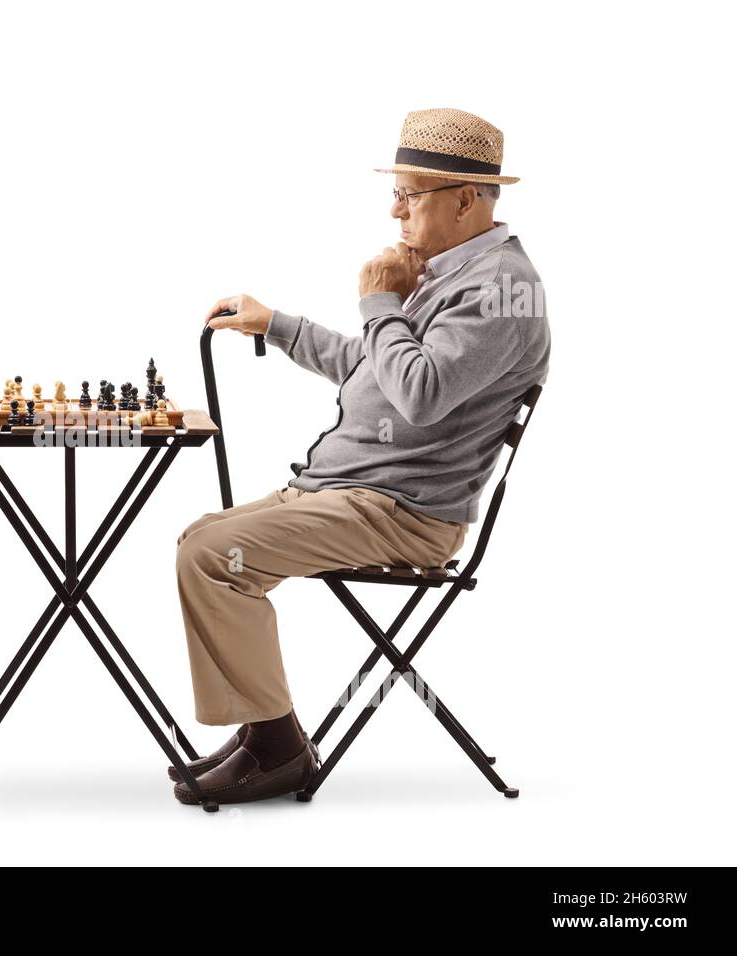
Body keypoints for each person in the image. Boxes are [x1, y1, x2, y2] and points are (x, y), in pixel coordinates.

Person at [172, 108, 550, 805]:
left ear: (466, 200)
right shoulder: (450, 273)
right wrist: (277, 325)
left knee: (211, 555)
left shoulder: (500, 288)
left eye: (411, 195)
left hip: (403, 514)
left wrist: (378, 298)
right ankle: (265, 730)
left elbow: (420, 393)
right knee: (200, 538)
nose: (394, 210)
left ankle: (280, 748)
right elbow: (373, 368)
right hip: (347, 493)